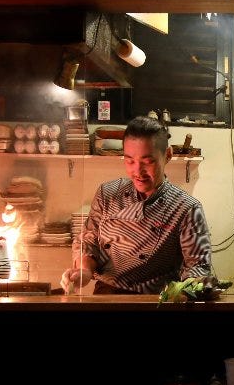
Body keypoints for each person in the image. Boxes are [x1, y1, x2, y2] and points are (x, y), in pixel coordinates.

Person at [61, 116, 213, 294]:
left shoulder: (186, 208)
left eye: (147, 161)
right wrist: (83, 271)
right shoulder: (107, 193)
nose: (138, 171)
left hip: (156, 299)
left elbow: (197, 266)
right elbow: (89, 240)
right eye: (130, 160)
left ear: (168, 155)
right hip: (107, 294)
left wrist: (195, 285)